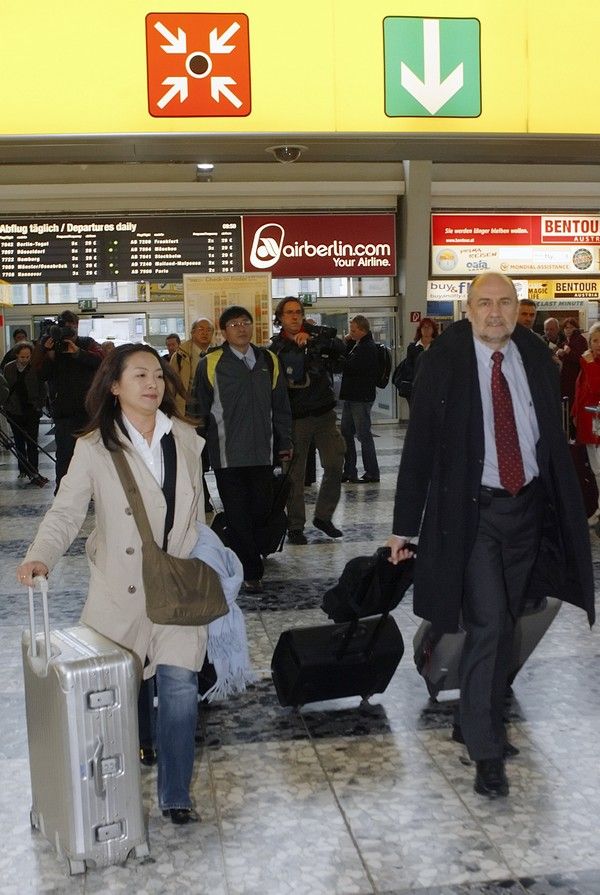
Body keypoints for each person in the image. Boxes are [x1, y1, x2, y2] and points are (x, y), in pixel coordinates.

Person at [387, 272, 594, 800]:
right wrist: (403, 527)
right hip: (471, 516)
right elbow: (420, 450)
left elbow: (548, 430)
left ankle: (472, 716)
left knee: (510, 621)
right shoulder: (446, 361)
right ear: (468, 308)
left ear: (518, 308)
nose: (495, 312)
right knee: (487, 623)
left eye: (505, 303)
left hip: (527, 509)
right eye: (485, 303)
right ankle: (485, 749)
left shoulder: (532, 355)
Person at [17, 343, 208, 825]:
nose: (152, 384)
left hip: (177, 584)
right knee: (125, 689)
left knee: (181, 685)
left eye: (158, 377)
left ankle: (175, 794)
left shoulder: (185, 439)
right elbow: (66, 511)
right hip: (120, 589)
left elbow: (196, 510)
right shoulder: (93, 448)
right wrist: (40, 555)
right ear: (115, 386)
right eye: (140, 376)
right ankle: (135, 749)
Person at [192, 306, 292, 592]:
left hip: (263, 452)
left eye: (245, 322)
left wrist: (285, 442)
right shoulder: (210, 363)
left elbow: (281, 407)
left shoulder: (268, 361)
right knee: (237, 513)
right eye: (234, 324)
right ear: (224, 331)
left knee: (261, 510)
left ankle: (243, 552)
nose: (241, 328)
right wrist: (198, 448)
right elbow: (198, 408)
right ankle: (251, 571)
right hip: (227, 454)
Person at [269, 298, 346, 545]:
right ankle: (295, 526)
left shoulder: (315, 336)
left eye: (298, 312)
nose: (294, 317)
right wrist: (295, 348)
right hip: (296, 417)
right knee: (295, 475)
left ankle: (323, 516)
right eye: (289, 313)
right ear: (279, 317)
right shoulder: (276, 348)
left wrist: (312, 340)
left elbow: (340, 349)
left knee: (335, 463)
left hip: (324, 413)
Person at [37, 311, 103, 492]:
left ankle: (92, 489)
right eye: (66, 326)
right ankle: (63, 490)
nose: (70, 329)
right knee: (65, 454)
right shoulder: (51, 346)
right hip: (64, 411)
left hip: (87, 409)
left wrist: (78, 353)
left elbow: (101, 362)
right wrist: (48, 354)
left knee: (92, 453)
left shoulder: (87, 343)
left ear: (77, 325)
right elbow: (41, 374)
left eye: (73, 325)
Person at [340, 314, 380, 483]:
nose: (351, 333)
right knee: (346, 433)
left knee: (363, 435)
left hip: (360, 398)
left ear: (363, 331)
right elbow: (349, 360)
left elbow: (353, 367)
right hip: (351, 396)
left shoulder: (368, 347)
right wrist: (348, 341)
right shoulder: (358, 345)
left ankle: (372, 471)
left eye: (354, 330)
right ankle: (349, 470)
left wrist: (341, 360)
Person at [2, 341, 47, 484]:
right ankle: (23, 469)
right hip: (14, 410)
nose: (25, 359)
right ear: (16, 355)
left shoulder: (35, 367)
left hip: (32, 410)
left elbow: (42, 388)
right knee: (19, 442)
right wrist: (7, 405)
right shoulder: (8, 368)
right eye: (22, 357)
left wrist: (39, 405)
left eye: (28, 356)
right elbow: (5, 388)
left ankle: (34, 471)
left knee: (32, 442)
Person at [572, 323, 600, 522]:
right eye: (595, 340)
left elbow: (597, 388)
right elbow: (580, 389)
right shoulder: (587, 361)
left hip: (597, 422)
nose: (598, 344)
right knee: (596, 469)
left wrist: (589, 364)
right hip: (588, 422)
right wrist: (575, 412)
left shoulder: (589, 362)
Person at [170, 317, 215, 416]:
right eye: (201, 329)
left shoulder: (218, 355)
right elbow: (170, 384)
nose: (205, 333)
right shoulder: (179, 356)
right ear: (192, 332)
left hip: (212, 407)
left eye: (209, 330)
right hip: (187, 407)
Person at [557, 317, 587, 407]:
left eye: (571, 327)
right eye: (566, 328)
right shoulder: (566, 341)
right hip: (566, 377)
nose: (568, 330)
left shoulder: (579, 339)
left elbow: (581, 358)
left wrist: (568, 352)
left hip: (575, 376)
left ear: (576, 328)